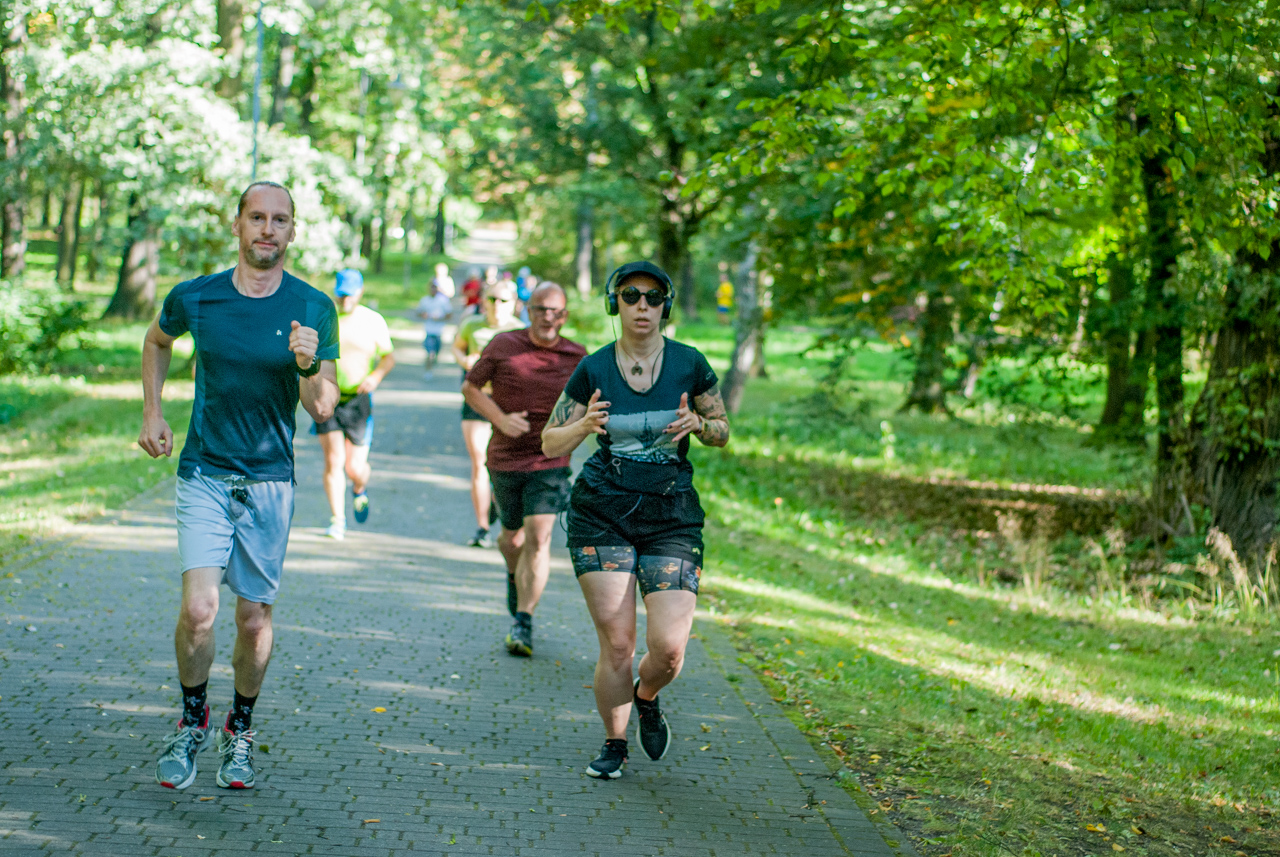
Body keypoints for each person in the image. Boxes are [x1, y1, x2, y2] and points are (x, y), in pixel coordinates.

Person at [139, 181, 340, 791]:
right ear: (238, 224)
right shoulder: (196, 297)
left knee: (254, 619)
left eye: (280, 220)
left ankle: (240, 729)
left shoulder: (313, 307)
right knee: (199, 611)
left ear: (292, 232)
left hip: (270, 482)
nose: (267, 230)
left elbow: (324, 407)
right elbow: (156, 340)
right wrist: (152, 411)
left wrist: (307, 364)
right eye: (258, 217)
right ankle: (193, 718)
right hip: (204, 469)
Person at [542, 261, 730, 780]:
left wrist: (701, 423)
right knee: (619, 643)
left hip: (671, 514)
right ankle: (615, 742)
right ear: (615, 304)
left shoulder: (690, 364)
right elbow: (549, 442)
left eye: (652, 297)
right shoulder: (594, 369)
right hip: (602, 511)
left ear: (665, 306)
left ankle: (647, 696)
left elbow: (722, 431)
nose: (641, 306)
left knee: (668, 650)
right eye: (630, 296)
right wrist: (582, 424)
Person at [462, 283, 585, 656]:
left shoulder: (578, 356)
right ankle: (514, 579)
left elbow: (597, 399)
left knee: (540, 536)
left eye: (556, 311)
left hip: (551, 460)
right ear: (528, 310)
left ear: (564, 316)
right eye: (541, 309)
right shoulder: (503, 344)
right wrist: (500, 418)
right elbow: (470, 387)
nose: (549, 317)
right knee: (511, 539)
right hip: (504, 457)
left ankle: (524, 621)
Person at [315, 269, 395, 540]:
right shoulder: (324, 319)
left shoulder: (372, 320)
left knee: (354, 468)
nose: (345, 298)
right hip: (328, 399)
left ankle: (359, 488)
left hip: (358, 401)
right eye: (341, 292)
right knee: (333, 460)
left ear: (360, 292)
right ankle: (337, 519)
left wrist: (375, 377)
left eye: (350, 293)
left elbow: (388, 357)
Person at [451, 281, 525, 547]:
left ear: (515, 303)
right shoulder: (472, 325)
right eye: (492, 299)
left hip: (508, 402)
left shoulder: (520, 330)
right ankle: (482, 527)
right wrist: (465, 361)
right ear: (483, 300)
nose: (496, 305)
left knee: (503, 463)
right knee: (480, 461)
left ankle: (498, 502)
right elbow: (457, 346)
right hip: (477, 398)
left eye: (503, 300)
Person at [416, 278, 453, 379]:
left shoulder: (443, 300)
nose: (433, 289)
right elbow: (418, 312)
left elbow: (449, 314)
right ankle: (428, 371)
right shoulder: (425, 300)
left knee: (436, 353)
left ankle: (432, 364)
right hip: (429, 330)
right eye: (431, 287)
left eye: (435, 287)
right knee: (430, 353)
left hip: (439, 331)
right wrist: (424, 315)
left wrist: (440, 317)